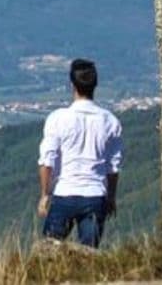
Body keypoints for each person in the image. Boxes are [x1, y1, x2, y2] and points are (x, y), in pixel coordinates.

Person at [37, 58, 123, 248]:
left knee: (48, 253)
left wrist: (45, 194)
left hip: (64, 193)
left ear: (72, 85)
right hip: (95, 194)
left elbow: (47, 160)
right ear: (95, 84)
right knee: (89, 254)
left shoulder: (58, 119)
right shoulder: (110, 121)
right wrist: (111, 197)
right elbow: (113, 166)